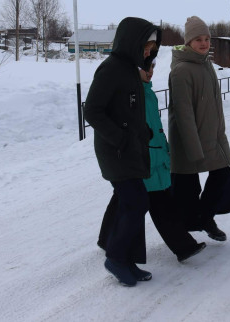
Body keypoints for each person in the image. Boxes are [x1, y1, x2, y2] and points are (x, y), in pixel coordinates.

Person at [98, 59, 207, 263]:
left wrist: (164, 149)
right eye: (145, 67)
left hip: (152, 155)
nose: (150, 72)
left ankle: (106, 239)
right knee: (160, 203)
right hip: (144, 158)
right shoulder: (134, 94)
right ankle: (183, 246)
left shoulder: (147, 91)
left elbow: (154, 126)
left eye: (153, 67)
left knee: (122, 199)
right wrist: (154, 153)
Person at [84, 17, 160, 287]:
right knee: (135, 203)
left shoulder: (129, 69)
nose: (149, 51)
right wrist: (121, 139)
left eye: (152, 46)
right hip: (116, 151)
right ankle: (116, 258)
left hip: (129, 148)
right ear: (132, 42)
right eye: (146, 46)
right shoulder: (112, 69)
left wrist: (142, 133)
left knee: (132, 203)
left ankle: (126, 259)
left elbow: (127, 110)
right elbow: (92, 109)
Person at [168, 16, 230, 242]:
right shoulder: (181, 70)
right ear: (188, 42)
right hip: (191, 140)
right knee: (186, 190)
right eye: (198, 39)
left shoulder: (206, 64)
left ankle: (205, 218)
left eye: (206, 38)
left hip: (213, 137)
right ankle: (185, 231)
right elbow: (183, 114)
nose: (204, 43)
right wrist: (194, 149)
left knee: (225, 173)